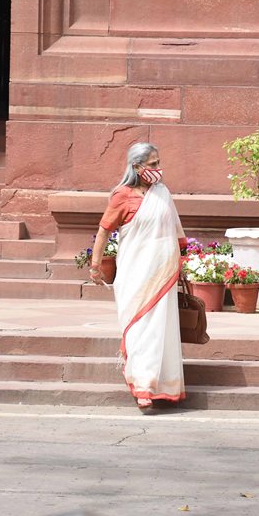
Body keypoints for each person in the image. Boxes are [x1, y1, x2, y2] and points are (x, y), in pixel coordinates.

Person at [89, 143, 188, 411]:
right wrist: (95, 265)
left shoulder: (162, 193)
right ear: (136, 167)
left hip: (163, 273)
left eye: (158, 162)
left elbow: (176, 231)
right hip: (135, 274)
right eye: (152, 164)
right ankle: (143, 383)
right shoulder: (122, 195)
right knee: (141, 328)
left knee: (161, 328)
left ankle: (159, 384)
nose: (158, 169)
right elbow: (104, 230)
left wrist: (182, 261)